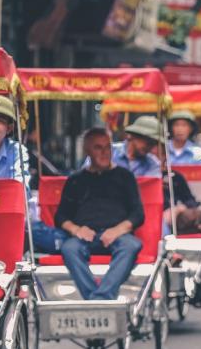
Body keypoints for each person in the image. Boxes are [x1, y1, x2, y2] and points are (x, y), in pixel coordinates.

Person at [56, 128, 145, 300]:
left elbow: (138, 214)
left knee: (132, 246)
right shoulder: (75, 180)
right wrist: (76, 230)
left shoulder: (125, 176)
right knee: (69, 248)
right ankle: (96, 299)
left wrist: (116, 231)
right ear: (87, 151)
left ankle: (101, 298)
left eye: (108, 148)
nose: (105, 153)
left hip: (118, 235)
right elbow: (61, 216)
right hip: (85, 235)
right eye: (98, 148)